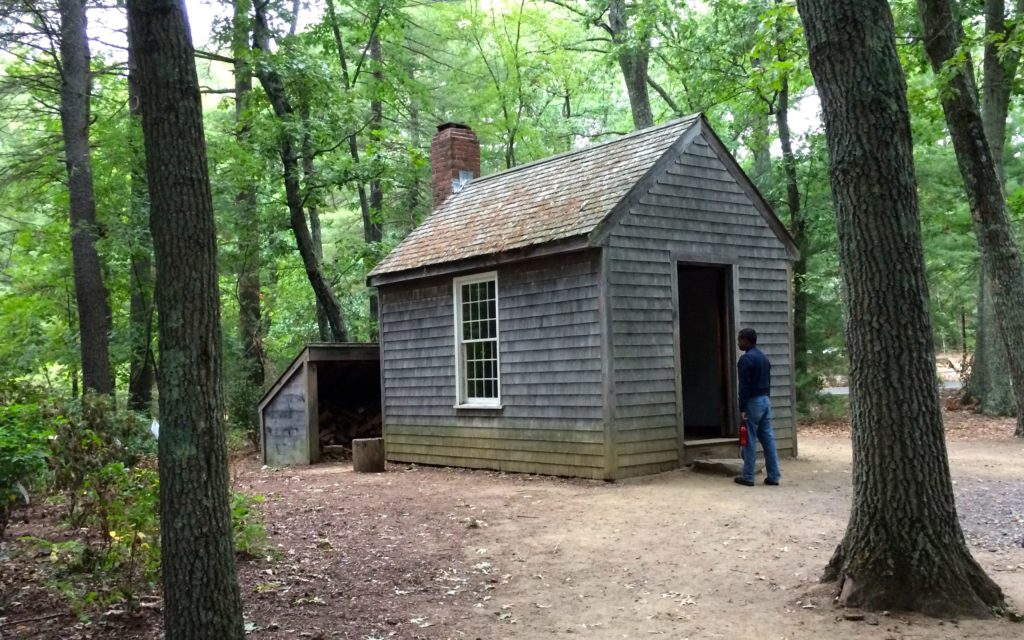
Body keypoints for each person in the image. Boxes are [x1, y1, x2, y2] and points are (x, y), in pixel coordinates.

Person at [734, 328, 781, 487]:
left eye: (739, 339)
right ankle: (774, 476)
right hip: (765, 400)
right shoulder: (763, 358)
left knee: (749, 440)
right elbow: (768, 380)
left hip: (752, 402)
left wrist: (742, 408)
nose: (738, 342)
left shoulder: (746, 360)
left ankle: (748, 476)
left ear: (746, 340)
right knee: (768, 439)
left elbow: (744, 387)